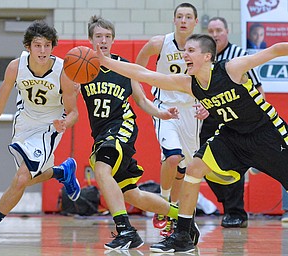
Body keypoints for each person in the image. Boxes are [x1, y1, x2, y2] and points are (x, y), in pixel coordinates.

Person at [96, 34, 288, 253]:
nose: (183, 55)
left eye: (190, 51)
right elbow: (145, 75)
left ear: (207, 56)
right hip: (233, 135)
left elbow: (274, 50)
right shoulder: (190, 84)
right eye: (183, 50)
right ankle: (183, 235)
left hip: (267, 134)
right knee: (194, 167)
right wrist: (106, 61)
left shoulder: (231, 69)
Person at [82, 15, 200, 250]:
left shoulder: (124, 68)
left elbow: (141, 100)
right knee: (131, 194)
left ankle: (126, 231)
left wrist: (161, 114)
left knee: (101, 167)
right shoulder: (82, 68)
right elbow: (68, 104)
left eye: (107, 37)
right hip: (101, 133)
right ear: (90, 39)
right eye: (98, 37)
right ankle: (183, 218)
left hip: (122, 126)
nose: (103, 41)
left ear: (113, 40)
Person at [0, 20, 81, 248]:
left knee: (21, 177)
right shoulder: (15, 67)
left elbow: (74, 112)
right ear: (28, 47)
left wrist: (64, 123)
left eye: (47, 45)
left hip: (49, 125)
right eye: (38, 45)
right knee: (24, 177)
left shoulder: (63, 72)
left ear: (53, 47)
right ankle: (61, 171)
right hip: (24, 123)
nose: (42, 50)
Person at [135, 2, 209, 237]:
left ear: (195, 22)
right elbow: (139, 64)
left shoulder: (201, 48)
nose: (184, 20)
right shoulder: (160, 43)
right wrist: (140, 92)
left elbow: (208, 80)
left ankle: (176, 213)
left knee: (188, 169)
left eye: (188, 17)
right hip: (166, 108)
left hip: (191, 111)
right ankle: (164, 203)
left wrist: (206, 103)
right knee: (172, 157)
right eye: (180, 16)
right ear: (174, 20)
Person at [206, 16, 265, 228]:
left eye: (218, 30)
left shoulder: (239, 55)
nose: (214, 35)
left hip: (235, 118)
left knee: (234, 165)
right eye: (211, 30)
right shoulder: (203, 57)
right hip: (208, 119)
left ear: (227, 31)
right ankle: (228, 205)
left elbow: (257, 89)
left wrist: (259, 123)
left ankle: (236, 212)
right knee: (203, 164)